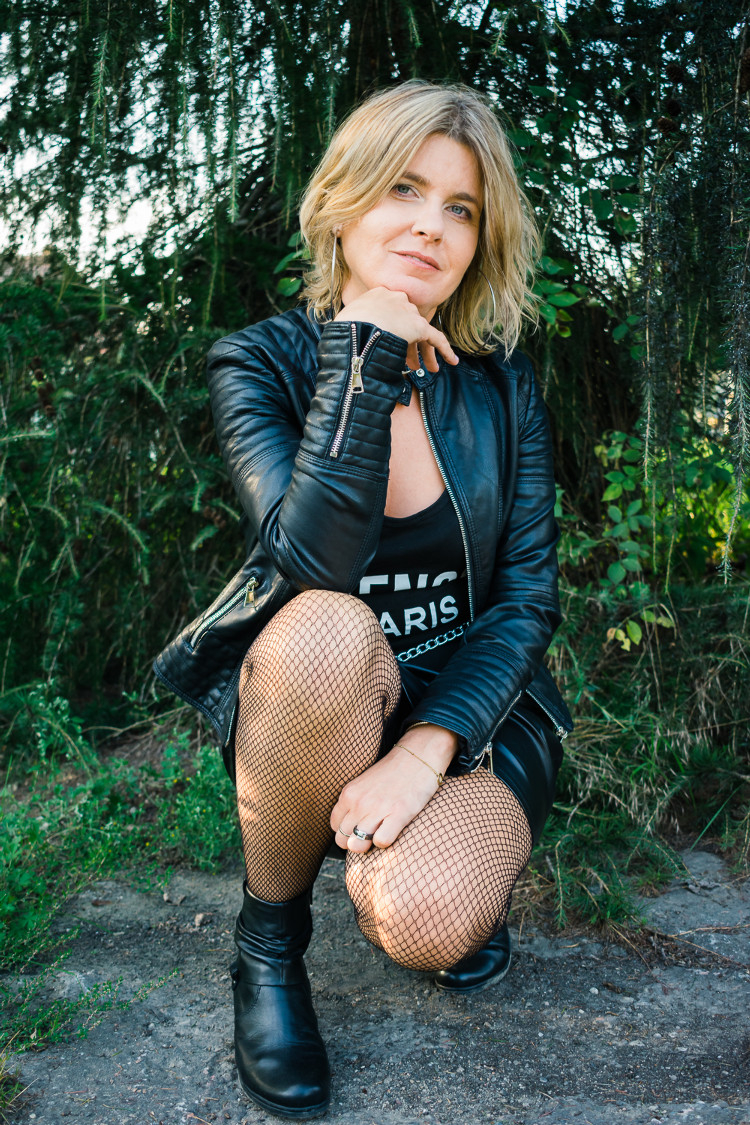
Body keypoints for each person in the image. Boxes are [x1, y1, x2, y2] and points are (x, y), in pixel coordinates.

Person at [153, 79, 573, 1121]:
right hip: (324, 687)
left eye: (461, 208)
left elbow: (526, 599)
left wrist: (426, 751)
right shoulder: (261, 363)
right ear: (343, 203)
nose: (431, 226)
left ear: (478, 241)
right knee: (324, 630)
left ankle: (430, 860)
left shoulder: (501, 383)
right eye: (403, 190)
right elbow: (311, 565)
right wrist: (363, 357)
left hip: (471, 707)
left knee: (429, 919)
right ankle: (268, 946)